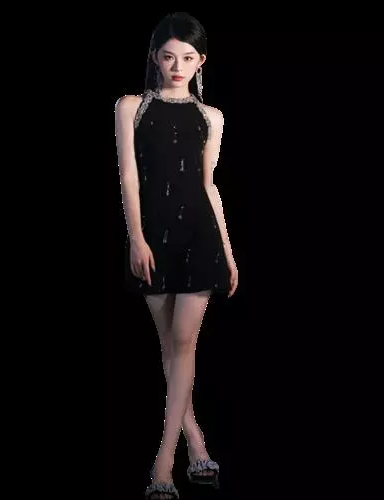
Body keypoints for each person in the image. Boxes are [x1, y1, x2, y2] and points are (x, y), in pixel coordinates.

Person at [114, 11, 238, 499]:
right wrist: (136, 238)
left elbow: (210, 186)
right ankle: (197, 443)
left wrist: (229, 253)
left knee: (184, 345)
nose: (177, 67)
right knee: (169, 347)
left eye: (187, 58)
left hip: (199, 239)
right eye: (168, 57)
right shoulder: (131, 107)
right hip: (152, 240)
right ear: (154, 58)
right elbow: (128, 176)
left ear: (201, 60)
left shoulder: (212, 117)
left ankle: (164, 463)